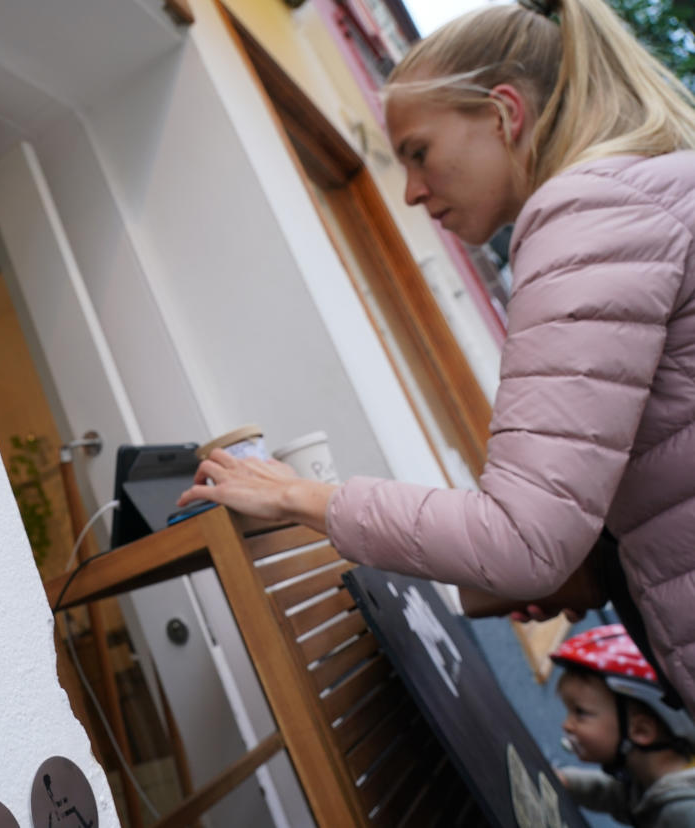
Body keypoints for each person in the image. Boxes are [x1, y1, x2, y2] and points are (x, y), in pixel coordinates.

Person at [177, 0, 695, 715]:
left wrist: (294, 494)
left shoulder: (590, 213)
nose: (413, 192)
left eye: (418, 152)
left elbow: (519, 540)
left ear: (504, 113)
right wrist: (603, 563)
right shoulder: (651, 192)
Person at [550, 625, 695, 827]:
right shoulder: (653, 781)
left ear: (641, 731)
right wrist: (565, 782)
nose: (567, 725)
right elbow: (620, 795)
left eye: (580, 713)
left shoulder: (683, 812)